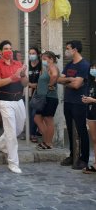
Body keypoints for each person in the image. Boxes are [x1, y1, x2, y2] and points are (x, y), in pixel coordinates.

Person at [0, 40, 28, 174]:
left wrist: (23, 75)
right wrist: (13, 77)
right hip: (5, 101)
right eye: (6, 48)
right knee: (11, 132)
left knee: (19, 128)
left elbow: (25, 83)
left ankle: (0, 142)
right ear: (1, 52)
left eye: (10, 48)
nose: (9, 51)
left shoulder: (18, 64)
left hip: (19, 99)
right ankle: (13, 162)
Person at [57, 40, 90, 170]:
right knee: (70, 130)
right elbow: (59, 79)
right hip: (68, 101)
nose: (66, 51)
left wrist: (67, 82)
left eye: (68, 48)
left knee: (82, 130)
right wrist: (70, 80)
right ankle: (73, 155)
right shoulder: (70, 64)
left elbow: (76, 85)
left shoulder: (84, 65)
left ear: (75, 50)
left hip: (79, 102)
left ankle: (84, 158)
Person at [33, 51, 59, 150]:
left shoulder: (52, 67)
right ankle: (46, 140)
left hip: (50, 97)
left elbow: (55, 75)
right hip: (43, 98)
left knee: (48, 120)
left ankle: (48, 143)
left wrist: (50, 85)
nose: (43, 61)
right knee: (37, 118)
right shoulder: (47, 69)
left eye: (45, 59)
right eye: (42, 59)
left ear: (51, 59)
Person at [82, 62, 96, 174]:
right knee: (94, 139)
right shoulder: (91, 83)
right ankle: (95, 164)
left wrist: (93, 100)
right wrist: (86, 99)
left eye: (95, 68)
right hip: (91, 113)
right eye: (92, 68)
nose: (93, 70)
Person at [26, 47, 42, 143]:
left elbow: (42, 79)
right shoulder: (27, 65)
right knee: (27, 114)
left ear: (38, 54)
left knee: (34, 114)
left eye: (33, 53)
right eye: (30, 53)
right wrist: (30, 85)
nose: (31, 55)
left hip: (38, 93)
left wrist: (34, 85)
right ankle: (29, 133)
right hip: (27, 92)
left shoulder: (41, 65)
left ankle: (33, 134)